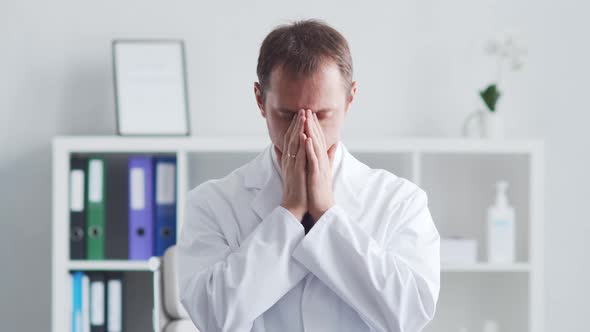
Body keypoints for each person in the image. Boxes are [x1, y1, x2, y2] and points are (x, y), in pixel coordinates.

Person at [177, 19, 440, 332]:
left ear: (350, 98)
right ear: (260, 100)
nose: (304, 130)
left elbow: (410, 314)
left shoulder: (400, 201)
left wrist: (327, 212)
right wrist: (289, 212)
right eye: (287, 114)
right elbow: (214, 316)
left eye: (322, 115)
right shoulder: (211, 203)